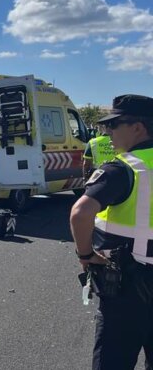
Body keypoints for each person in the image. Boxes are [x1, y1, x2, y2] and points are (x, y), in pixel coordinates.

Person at [69, 94, 153, 369]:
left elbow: (80, 214)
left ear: (138, 128)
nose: (108, 132)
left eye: (114, 125)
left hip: (128, 286)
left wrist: (85, 254)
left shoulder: (124, 168)